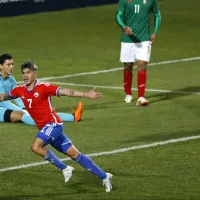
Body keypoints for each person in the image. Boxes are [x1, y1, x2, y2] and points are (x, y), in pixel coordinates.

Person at [0, 61, 113, 192]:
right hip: (45, 128)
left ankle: (65, 168)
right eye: (24, 73)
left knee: (35, 146)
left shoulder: (43, 87)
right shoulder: (19, 90)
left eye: (29, 72)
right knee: (74, 154)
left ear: (35, 74)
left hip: (53, 124)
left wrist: (85, 94)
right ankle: (104, 176)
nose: (25, 75)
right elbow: (4, 97)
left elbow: (65, 91)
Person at [0, 53, 83, 125]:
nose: (11, 67)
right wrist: (26, 110)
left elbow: (18, 97)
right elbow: (4, 102)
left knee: (43, 113)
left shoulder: (11, 79)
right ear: (1, 66)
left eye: (12, 64)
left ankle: (73, 117)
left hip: (4, 107)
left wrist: (27, 107)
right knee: (21, 115)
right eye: (8, 65)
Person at [116, 0, 161, 105]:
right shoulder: (124, 0)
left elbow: (157, 14)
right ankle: (128, 93)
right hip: (128, 39)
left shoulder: (151, 1)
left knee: (142, 65)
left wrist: (154, 32)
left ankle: (141, 97)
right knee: (128, 66)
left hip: (144, 39)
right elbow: (118, 16)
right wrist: (124, 27)